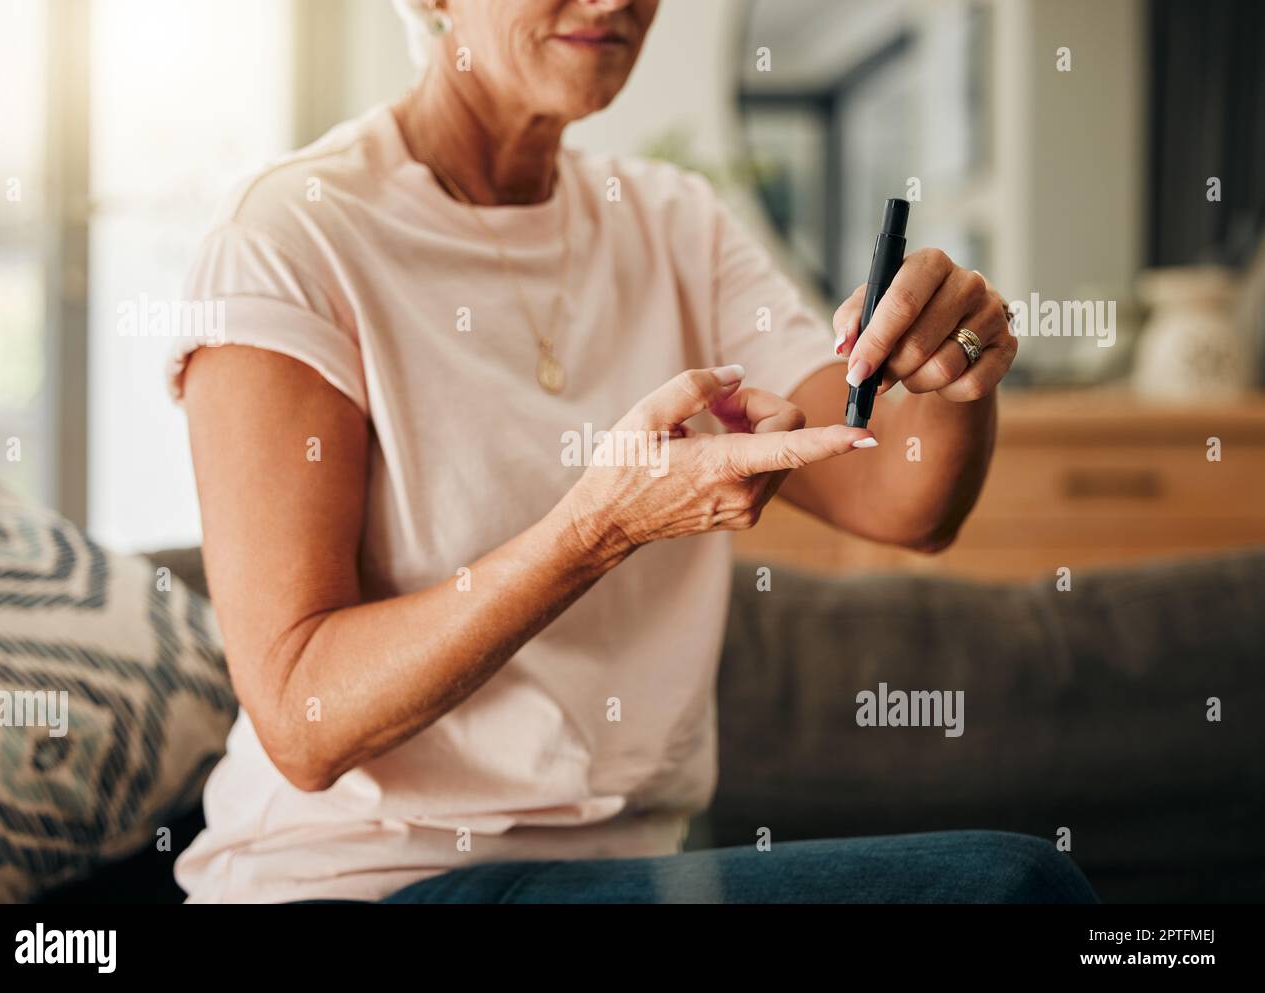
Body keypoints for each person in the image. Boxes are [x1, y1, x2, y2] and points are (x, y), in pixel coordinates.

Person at [169, 0, 1092, 904]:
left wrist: (954, 371)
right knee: (1010, 889)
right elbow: (302, 718)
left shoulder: (674, 221)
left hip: (627, 871)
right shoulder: (288, 236)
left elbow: (905, 501)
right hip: (359, 878)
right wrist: (597, 529)